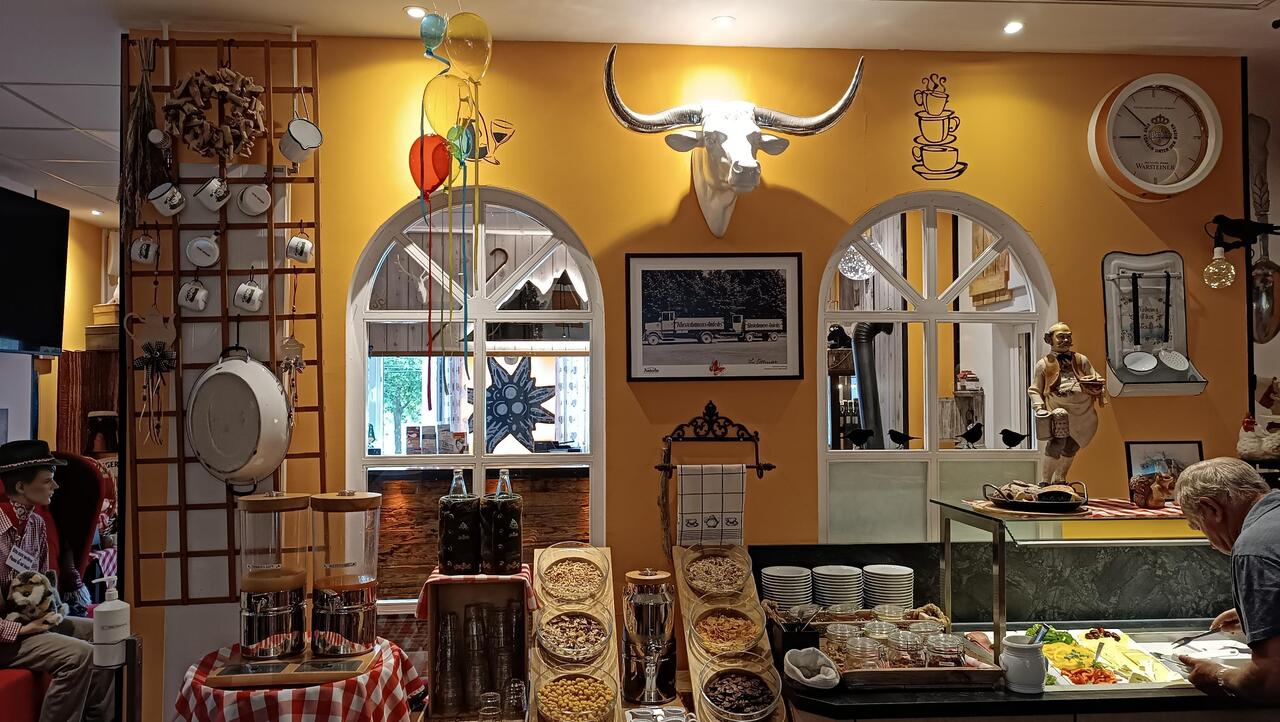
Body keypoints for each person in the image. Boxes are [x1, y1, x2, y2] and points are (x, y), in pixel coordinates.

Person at [0, 440, 114, 722]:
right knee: (80, 655)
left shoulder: (36, 524)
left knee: (111, 635)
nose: (55, 486)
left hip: (28, 622)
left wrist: (50, 613)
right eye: (47, 480)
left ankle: (96, 717)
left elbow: (43, 582)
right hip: (5, 635)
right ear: (21, 487)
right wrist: (25, 629)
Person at [1175, 457, 1280, 702]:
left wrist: (1217, 675)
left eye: (1198, 526)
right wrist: (1261, 615)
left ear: (1211, 508)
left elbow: (1271, 679)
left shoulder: (1253, 548)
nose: (1211, 544)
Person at [1026, 322, 1107, 484]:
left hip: (1083, 412)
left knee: (1072, 445)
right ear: (1050, 340)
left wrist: (1095, 382)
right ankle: (1045, 481)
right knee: (1057, 443)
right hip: (1058, 409)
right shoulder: (1043, 364)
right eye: (1061, 337)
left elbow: (1097, 377)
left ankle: (1060, 479)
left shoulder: (1081, 360)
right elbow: (1034, 389)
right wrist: (1039, 407)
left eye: (1068, 337)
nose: (1065, 340)